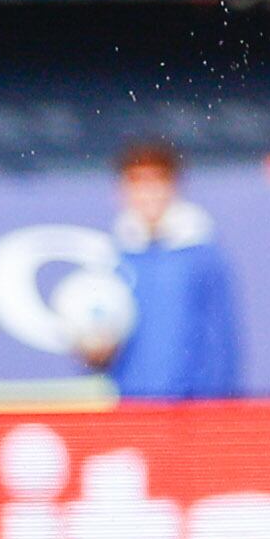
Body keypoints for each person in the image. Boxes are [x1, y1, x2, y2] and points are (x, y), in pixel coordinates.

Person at [79, 139, 245, 400]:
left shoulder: (202, 255)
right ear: (122, 190)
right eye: (138, 183)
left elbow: (221, 340)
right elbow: (97, 346)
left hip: (193, 409)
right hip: (133, 407)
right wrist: (94, 351)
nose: (148, 194)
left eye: (156, 182)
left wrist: (218, 407)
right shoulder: (113, 259)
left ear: (174, 187)